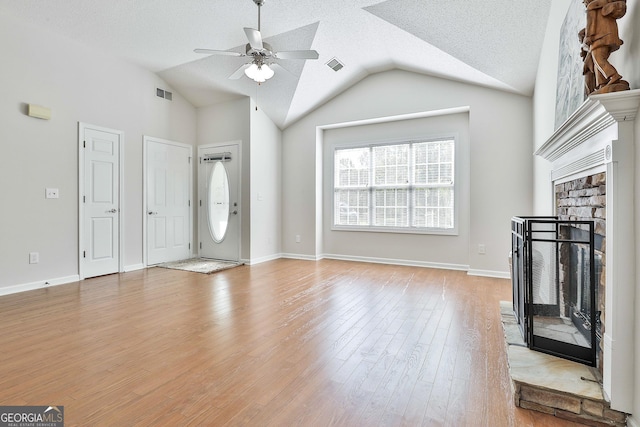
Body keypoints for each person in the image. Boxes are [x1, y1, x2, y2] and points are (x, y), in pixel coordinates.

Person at [583, 0, 629, 94]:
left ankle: (613, 76)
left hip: (600, 37)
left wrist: (588, 36)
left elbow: (591, 23)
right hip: (610, 35)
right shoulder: (606, 3)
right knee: (597, 63)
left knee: (598, 59)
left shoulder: (592, 6)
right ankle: (602, 84)